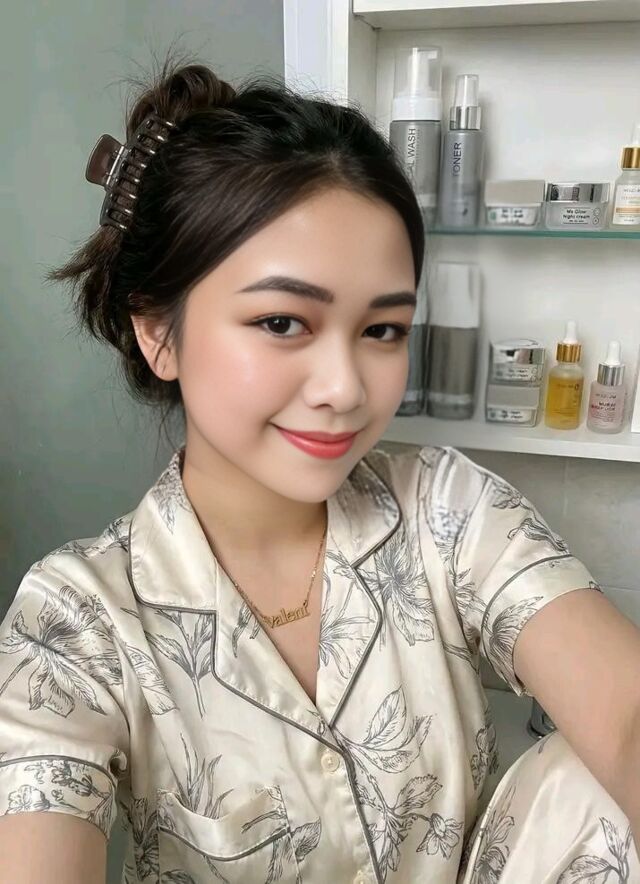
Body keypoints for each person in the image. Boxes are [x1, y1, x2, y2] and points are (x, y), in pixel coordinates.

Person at [0, 56, 638, 884]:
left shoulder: (448, 510)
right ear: (159, 333)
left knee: (589, 782)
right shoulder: (79, 619)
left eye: (382, 330)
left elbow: (626, 717)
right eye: (282, 322)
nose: (345, 389)